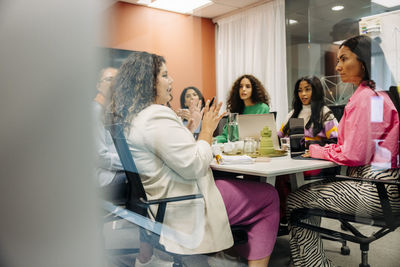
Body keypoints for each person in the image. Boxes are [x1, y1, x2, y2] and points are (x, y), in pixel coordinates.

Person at [108, 51, 280, 267]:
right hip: (185, 205)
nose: (171, 81)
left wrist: (192, 128)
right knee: (268, 195)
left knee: (246, 189)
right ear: (148, 82)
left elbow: (172, 152)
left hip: (159, 205)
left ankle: (231, 253)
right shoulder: (156, 115)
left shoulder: (136, 117)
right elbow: (195, 166)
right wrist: (207, 130)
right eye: (164, 75)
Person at [286, 35, 400, 267]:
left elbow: (354, 155)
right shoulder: (375, 95)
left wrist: (316, 151)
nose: (337, 66)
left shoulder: (366, 99)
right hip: (387, 187)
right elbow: (355, 146)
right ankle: (307, 263)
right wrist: (323, 149)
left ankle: (314, 264)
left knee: (295, 199)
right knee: (301, 197)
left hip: (377, 190)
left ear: (364, 62)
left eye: (344, 58)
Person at [93, 67, 127, 200]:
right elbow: (101, 158)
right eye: (109, 79)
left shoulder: (107, 112)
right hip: (104, 180)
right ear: (98, 86)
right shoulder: (94, 111)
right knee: (146, 179)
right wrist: (130, 162)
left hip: (111, 173)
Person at [278, 76, 338, 146]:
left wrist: (309, 144)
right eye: (300, 90)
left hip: (315, 155)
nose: (303, 94)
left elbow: (335, 141)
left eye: (307, 89)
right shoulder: (293, 113)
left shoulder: (324, 112)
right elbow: (280, 136)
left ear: (316, 91)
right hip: (292, 155)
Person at [215, 74, 271, 143]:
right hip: (236, 149)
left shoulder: (262, 108)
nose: (243, 89)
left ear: (254, 90)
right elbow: (226, 136)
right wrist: (212, 140)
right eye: (241, 87)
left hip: (254, 149)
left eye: (247, 87)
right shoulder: (235, 109)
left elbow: (265, 136)